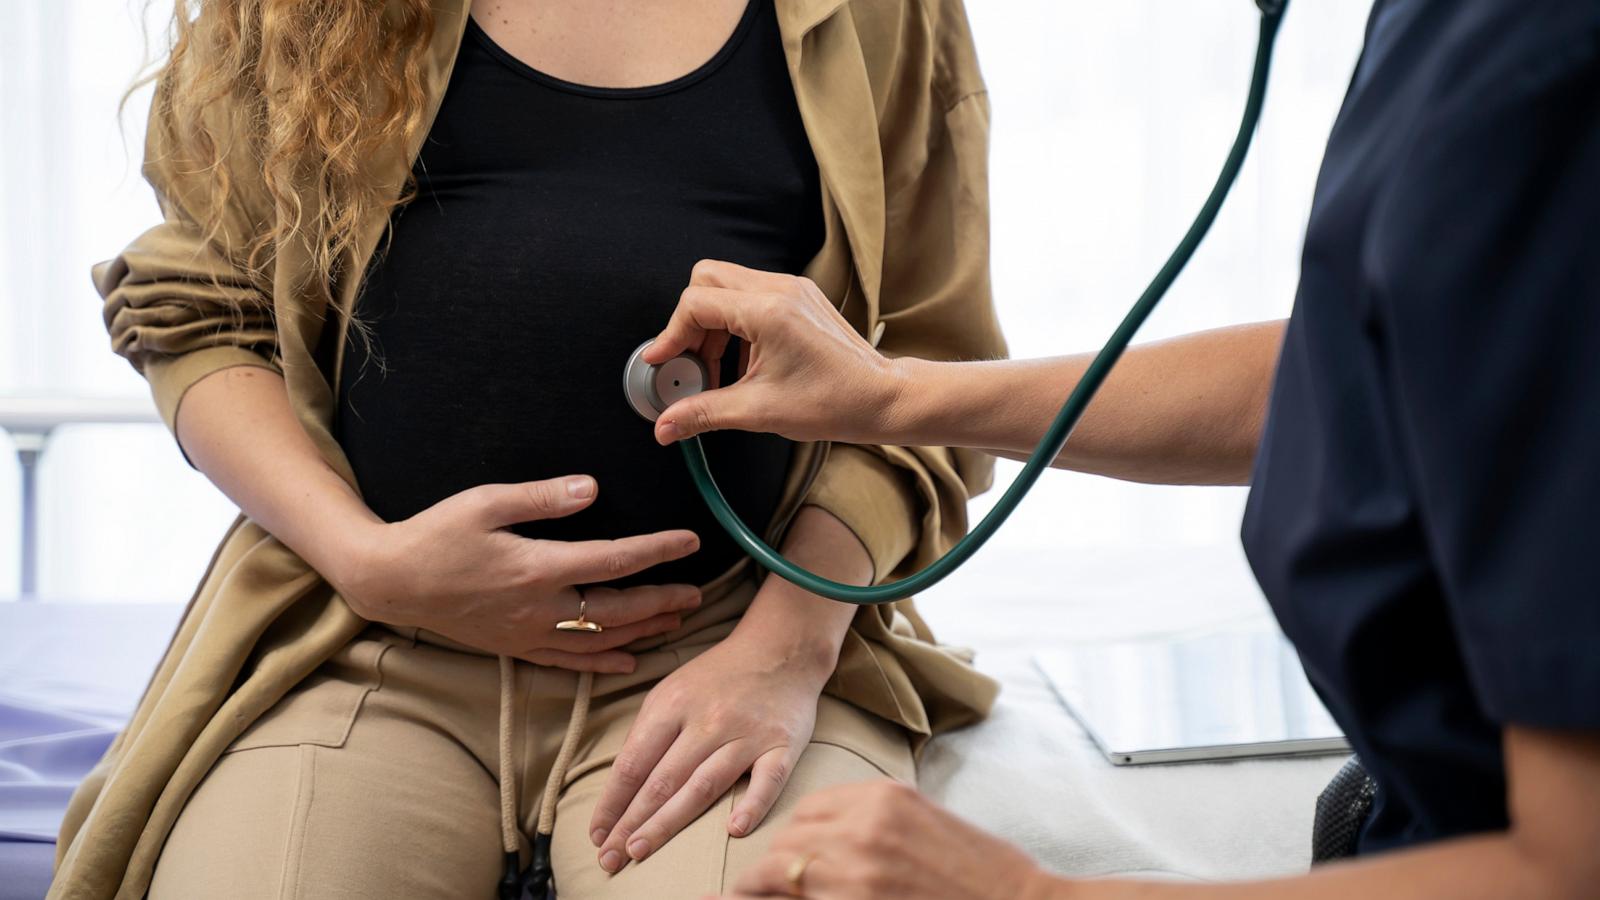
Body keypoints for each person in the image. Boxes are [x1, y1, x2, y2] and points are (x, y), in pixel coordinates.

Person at [638, 1, 1600, 897]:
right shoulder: (1450, 38)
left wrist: (1029, 892)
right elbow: (1373, 353)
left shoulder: (1538, 66)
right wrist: (893, 394)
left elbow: (1566, 866)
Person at [53, 1, 1008, 898]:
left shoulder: (889, 15)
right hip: (370, 640)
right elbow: (201, 309)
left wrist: (785, 652)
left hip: (727, 645)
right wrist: (366, 561)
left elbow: (930, 371)